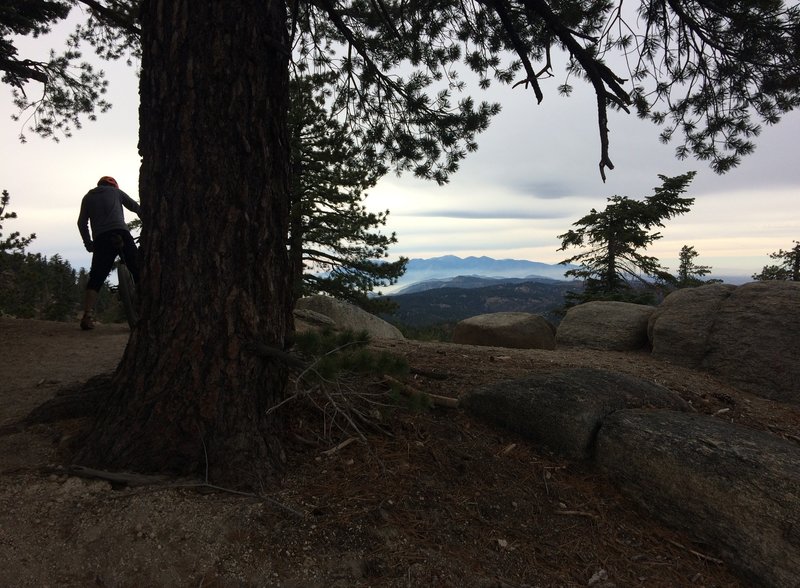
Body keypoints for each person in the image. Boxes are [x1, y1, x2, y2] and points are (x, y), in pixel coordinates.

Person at [77, 176, 141, 330]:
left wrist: (88, 243)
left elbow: (81, 222)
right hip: (121, 232)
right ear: (114, 185)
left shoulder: (87, 197)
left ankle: (87, 315)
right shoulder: (116, 192)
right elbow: (135, 207)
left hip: (101, 238)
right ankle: (148, 307)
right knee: (139, 269)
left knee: (96, 277)